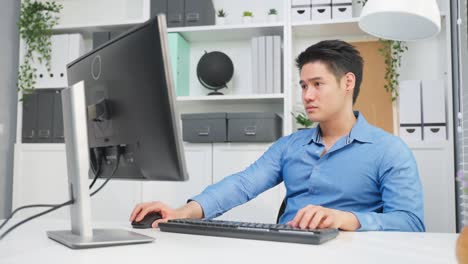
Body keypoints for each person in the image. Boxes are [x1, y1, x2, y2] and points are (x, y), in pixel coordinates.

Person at [130, 40, 425, 232]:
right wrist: (179, 212)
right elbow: (242, 185)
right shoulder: (291, 146)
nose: (307, 95)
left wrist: (346, 219)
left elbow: (411, 222)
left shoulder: (389, 150)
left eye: (317, 84)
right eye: (303, 85)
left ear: (348, 82)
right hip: (288, 252)